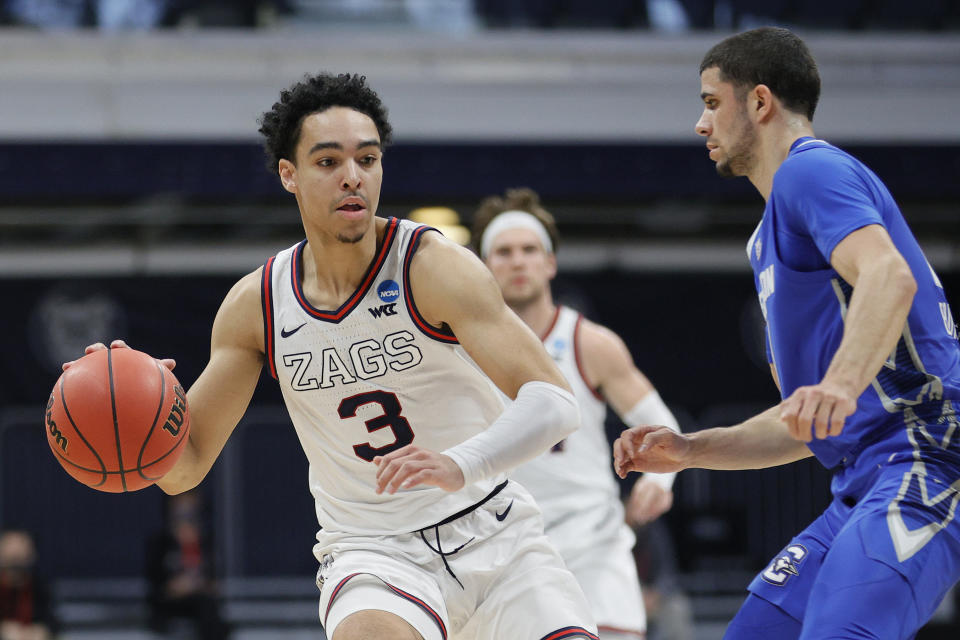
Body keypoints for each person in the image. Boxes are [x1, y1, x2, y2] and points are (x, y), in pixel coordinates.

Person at [65, 72, 597, 640]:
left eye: (368, 160)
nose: (352, 177)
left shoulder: (431, 266)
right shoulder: (258, 305)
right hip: (374, 553)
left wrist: (459, 463)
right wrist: (137, 409)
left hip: (495, 534)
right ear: (288, 175)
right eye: (328, 162)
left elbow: (555, 401)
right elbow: (186, 465)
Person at [614, 26, 960, 640]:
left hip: (926, 456)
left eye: (712, 102)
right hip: (860, 480)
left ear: (760, 102)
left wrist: (841, 384)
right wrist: (693, 451)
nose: (701, 123)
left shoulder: (812, 170)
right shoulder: (764, 239)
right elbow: (801, 424)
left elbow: (889, 276)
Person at [473, 187, 682, 640]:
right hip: (498, 543)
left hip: (591, 544)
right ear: (485, 265)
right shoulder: (460, 349)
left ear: (549, 263)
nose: (517, 261)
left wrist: (660, 480)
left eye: (530, 250)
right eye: (503, 252)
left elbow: (663, 425)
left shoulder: (590, 342)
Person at [146, 490, 230, 640]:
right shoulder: (160, 543)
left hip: (201, 603)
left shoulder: (206, 542)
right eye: (181, 514)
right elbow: (155, 585)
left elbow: (214, 582)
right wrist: (175, 587)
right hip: (169, 605)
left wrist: (201, 585)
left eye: (191, 514)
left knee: (208, 609)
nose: (186, 520)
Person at [0, 530, 56, 640]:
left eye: (20, 554)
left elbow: (52, 621)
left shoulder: (39, 588)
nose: (16, 558)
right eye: (11, 556)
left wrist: (42, 630)